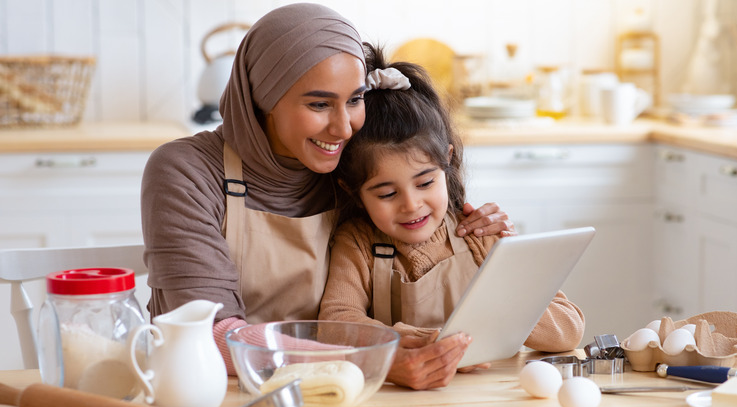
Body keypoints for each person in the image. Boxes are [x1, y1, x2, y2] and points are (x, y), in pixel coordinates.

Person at [140, 3, 514, 377]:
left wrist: (472, 230)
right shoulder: (185, 171)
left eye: (354, 100)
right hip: (215, 392)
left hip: (345, 390)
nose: (343, 128)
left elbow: (413, 231)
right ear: (262, 98)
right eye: (319, 104)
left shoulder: (349, 166)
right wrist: (372, 360)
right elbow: (209, 337)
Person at [318, 44, 585, 390]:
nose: (411, 205)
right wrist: (420, 340)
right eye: (386, 193)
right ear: (354, 191)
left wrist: (507, 280)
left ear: (447, 161)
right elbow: (336, 324)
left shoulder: (480, 232)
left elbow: (569, 329)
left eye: (425, 182)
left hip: (487, 405)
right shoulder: (357, 242)